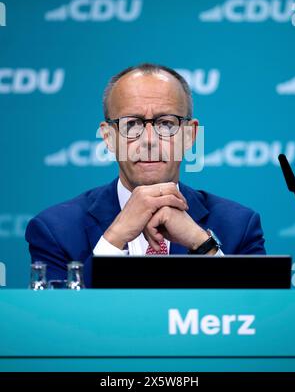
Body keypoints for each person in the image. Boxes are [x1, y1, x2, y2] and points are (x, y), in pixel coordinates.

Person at [25, 63, 266, 287]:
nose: (149, 140)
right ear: (108, 137)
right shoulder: (56, 230)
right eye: (132, 124)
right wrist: (114, 239)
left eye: (166, 124)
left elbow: (258, 317)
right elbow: (59, 324)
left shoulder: (239, 226)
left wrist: (202, 244)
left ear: (190, 135)